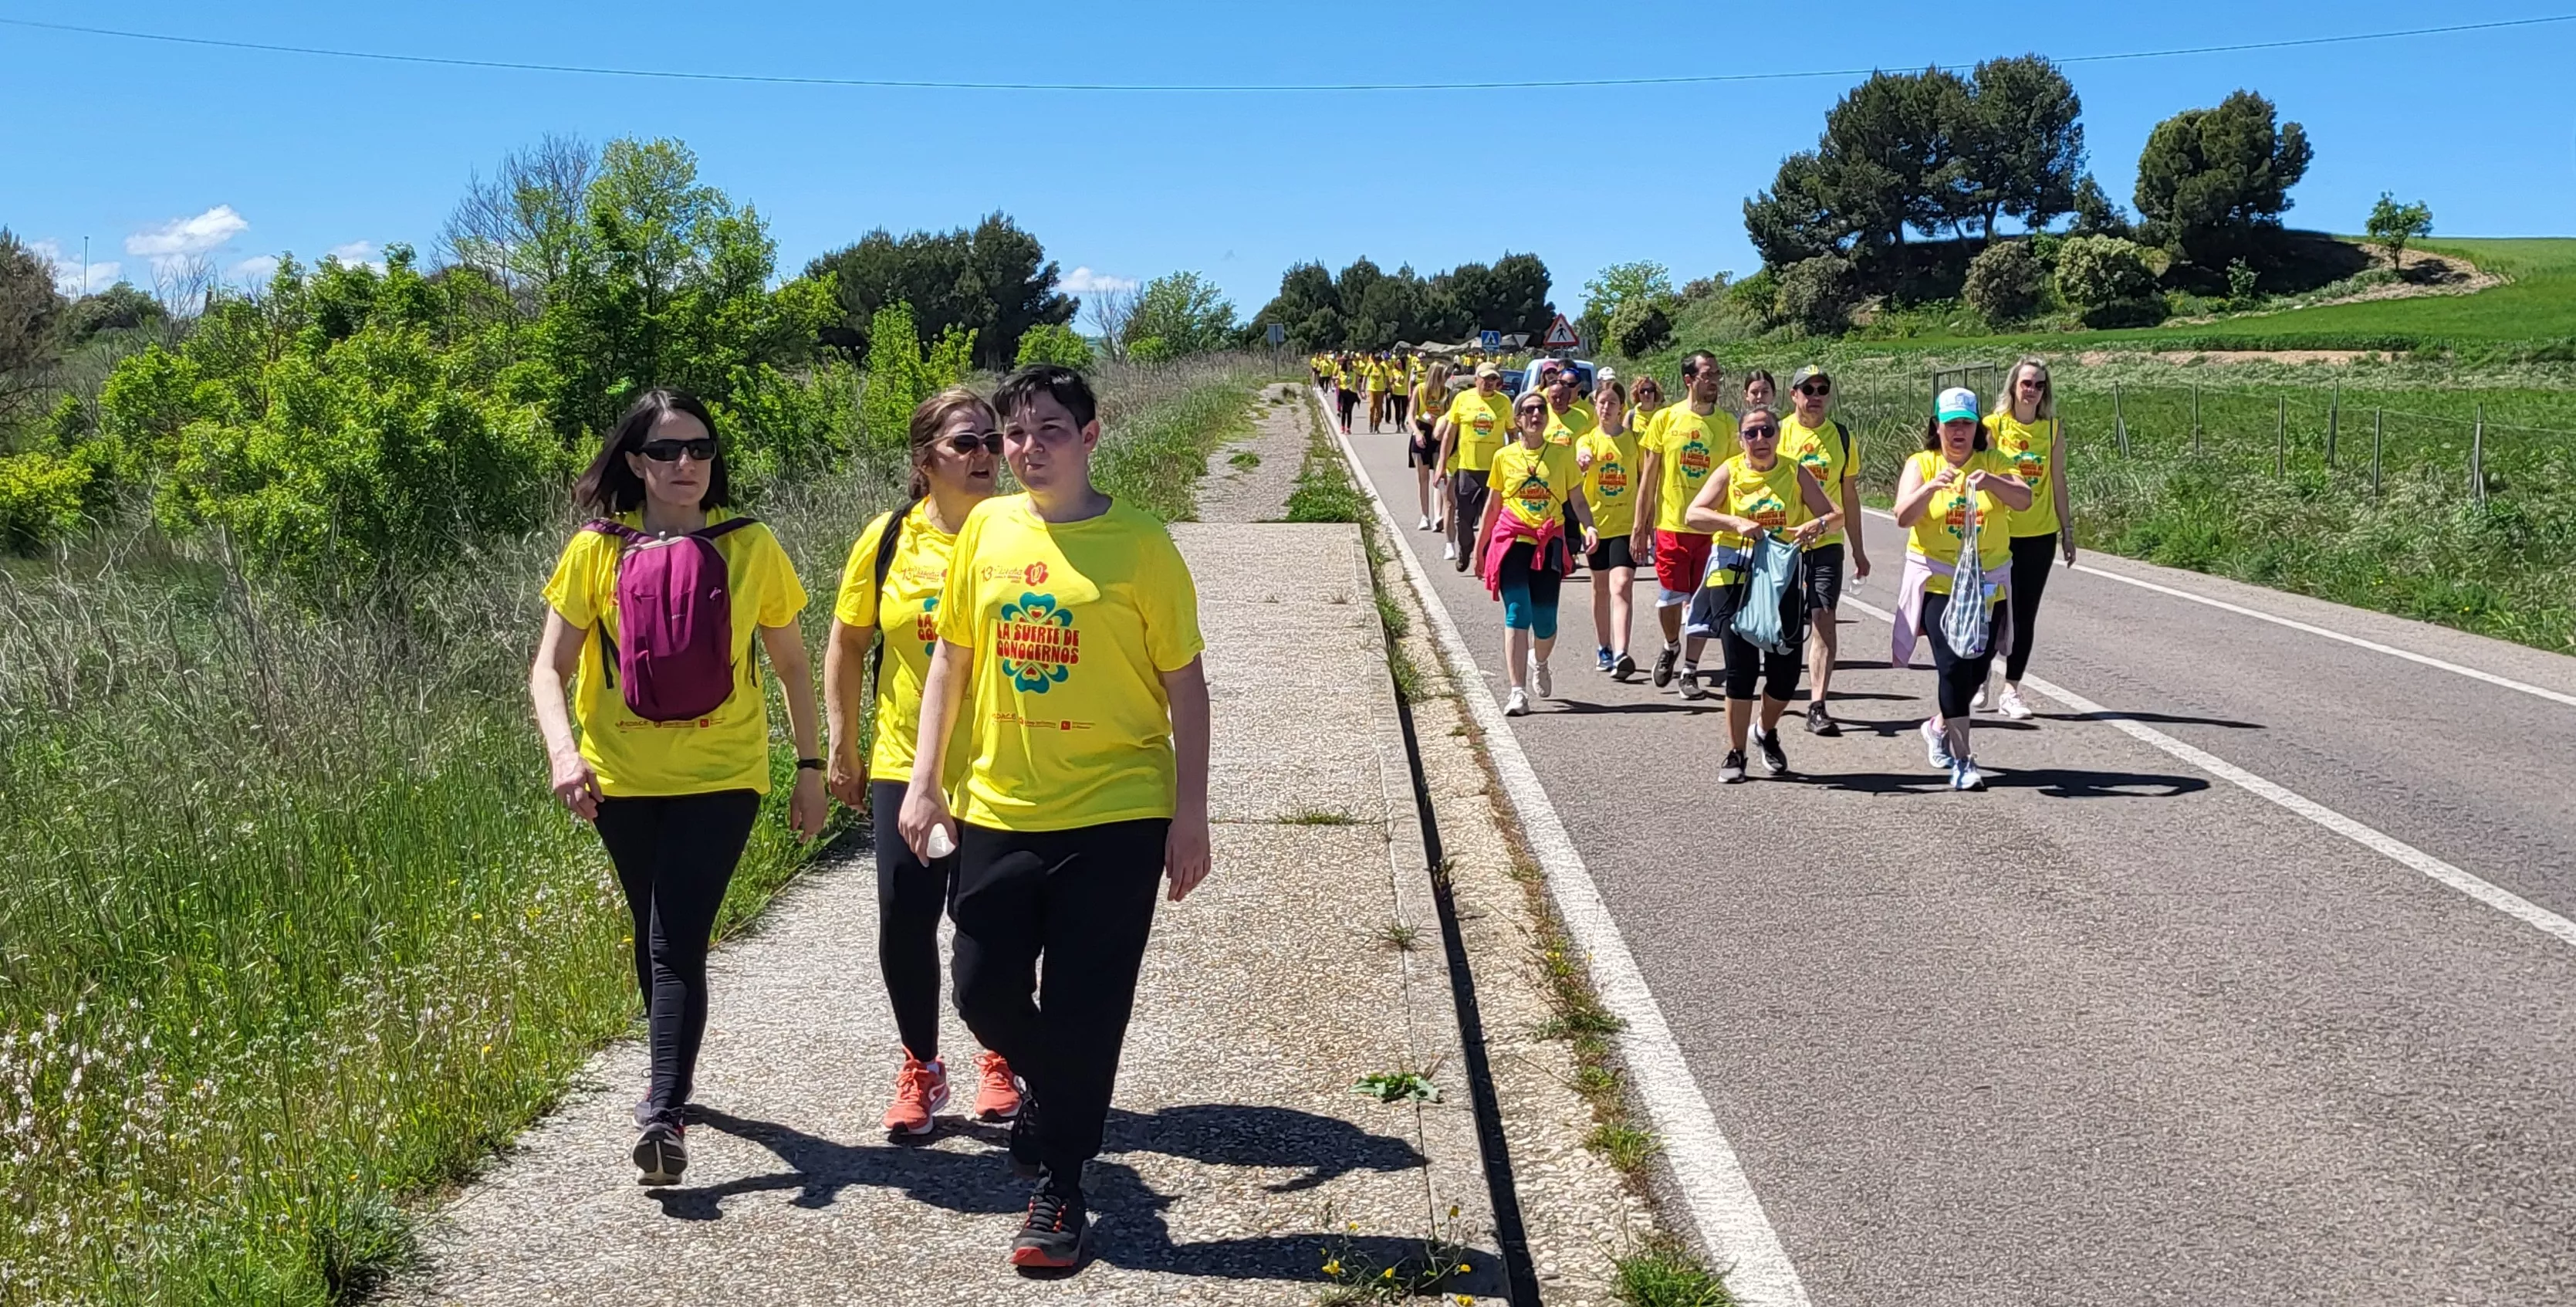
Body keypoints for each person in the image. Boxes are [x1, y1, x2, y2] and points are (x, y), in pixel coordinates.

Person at [898, 364, 1212, 1270]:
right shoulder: (988, 528)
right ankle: (1059, 1092)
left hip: (1117, 811)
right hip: (1000, 802)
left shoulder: (1141, 545)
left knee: (1085, 1005)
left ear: (1091, 435)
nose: (1027, 449)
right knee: (980, 986)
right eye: (1013, 434)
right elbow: (951, 663)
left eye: (1048, 431)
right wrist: (925, 781)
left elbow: (1185, 689)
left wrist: (1189, 816)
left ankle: (1060, 1188)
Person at [529, 388, 828, 1186]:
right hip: (618, 777)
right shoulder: (595, 549)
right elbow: (548, 670)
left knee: (673, 938)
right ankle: (673, 1080)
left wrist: (809, 768)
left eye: (699, 448)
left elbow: (793, 664)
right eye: (665, 451)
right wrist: (565, 756)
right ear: (635, 461)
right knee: (652, 932)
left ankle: (662, 1112)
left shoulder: (750, 545)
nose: (685, 464)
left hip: (721, 773)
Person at [824, 388, 1020, 1138]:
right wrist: (841, 745)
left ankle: (1000, 1054)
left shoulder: (1022, 533)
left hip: (1003, 765)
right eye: (966, 443)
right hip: (907, 765)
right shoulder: (887, 540)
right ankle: (921, 1064)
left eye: (992, 441)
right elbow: (845, 646)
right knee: (905, 919)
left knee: (992, 926)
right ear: (924, 459)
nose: (985, 456)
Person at [1682, 408, 1841, 782]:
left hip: (1779, 577)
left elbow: (1835, 516)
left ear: (1777, 434)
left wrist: (1813, 526)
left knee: (1785, 676)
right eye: (1751, 433)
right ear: (1741, 440)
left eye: (1766, 431)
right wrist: (1734, 521)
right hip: (1733, 576)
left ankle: (1765, 731)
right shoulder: (1730, 471)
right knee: (1741, 670)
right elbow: (1694, 514)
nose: (1760, 439)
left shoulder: (1793, 470)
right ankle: (1735, 753)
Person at [1892, 388, 2033, 792]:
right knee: (1952, 664)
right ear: (1936, 427)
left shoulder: (1995, 461)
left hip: (1988, 584)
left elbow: (2023, 499)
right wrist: (1930, 488)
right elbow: (1902, 517)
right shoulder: (1921, 463)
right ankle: (1964, 759)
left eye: (1966, 424)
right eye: (1950, 424)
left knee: (1975, 670)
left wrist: (1992, 482)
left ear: (1977, 428)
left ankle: (1937, 727)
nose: (1958, 432)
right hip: (1941, 582)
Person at [1476, 389, 1598, 716]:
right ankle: (1518, 692)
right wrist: (1480, 548)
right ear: (1517, 420)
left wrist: (1590, 527)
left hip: (1549, 541)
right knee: (1518, 613)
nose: (1536, 415)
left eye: (1540, 410)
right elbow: (1493, 505)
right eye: (1529, 411)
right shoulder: (1505, 457)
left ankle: (1539, 660)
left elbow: (1579, 501)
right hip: (1513, 540)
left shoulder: (1562, 456)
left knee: (1545, 623)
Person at [1628, 352, 1733, 699]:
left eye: (1717, 374)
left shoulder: (1728, 425)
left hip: (1712, 528)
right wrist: (1639, 526)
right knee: (1670, 599)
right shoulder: (1665, 419)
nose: (1714, 380)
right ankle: (1671, 644)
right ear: (1689, 380)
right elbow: (1648, 478)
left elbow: (1737, 479)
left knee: (1703, 602)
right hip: (1672, 524)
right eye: (1707, 374)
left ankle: (1690, 669)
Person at [1776, 365, 1870, 736]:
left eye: (1822, 389)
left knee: (1823, 618)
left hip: (1826, 541)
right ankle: (1778, 691)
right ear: (1793, 394)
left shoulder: (1842, 438)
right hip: (1783, 542)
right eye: (1807, 389)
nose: (1815, 396)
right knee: (1782, 625)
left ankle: (1818, 703)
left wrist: (1858, 550)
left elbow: (1849, 496)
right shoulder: (1777, 433)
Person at [1980, 357, 2075, 720]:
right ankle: (1981, 674)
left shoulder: (2051, 430)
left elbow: (2058, 481)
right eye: (2026, 383)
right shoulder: (1993, 426)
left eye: (2039, 385)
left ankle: (2012, 689)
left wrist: (2067, 531)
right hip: (1999, 535)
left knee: (2024, 614)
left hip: (2039, 534)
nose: (2032, 391)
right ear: (2013, 387)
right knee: (1994, 610)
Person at [1577, 378, 1641, 676]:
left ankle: (1621, 653)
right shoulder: (1587, 439)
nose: (1605, 408)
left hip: (1626, 523)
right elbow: (1580, 459)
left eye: (1612, 403)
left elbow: (1643, 481)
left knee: (1622, 585)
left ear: (1621, 408)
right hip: (1595, 525)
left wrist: (1646, 523)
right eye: (1601, 402)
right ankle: (1603, 646)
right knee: (1600, 588)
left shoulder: (1633, 441)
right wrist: (1583, 460)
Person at [1435, 362, 1513, 571]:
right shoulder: (1463, 399)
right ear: (1476, 379)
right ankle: (1465, 548)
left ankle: (1487, 557)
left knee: (1493, 517)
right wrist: (1442, 465)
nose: (1489, 384)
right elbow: (1450, 434)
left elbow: (1513, 434)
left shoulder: (1504, 402)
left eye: (1493, 380)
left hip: (1495, 471)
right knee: (1464, 518)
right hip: (1467, 468)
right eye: (1485, 379)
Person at [1409, 361, 1452, 531]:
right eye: (1445, 375)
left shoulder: (1447, 393)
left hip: (1438, 434)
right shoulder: (1420, 389)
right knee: (1423, 478)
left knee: (1439, 476)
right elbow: (1411, 416)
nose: (1447, 379)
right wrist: (1417, 433)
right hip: (1422, 431)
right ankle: (1425, 516)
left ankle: (1438, 516)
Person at [1365, 353, 1392, 432]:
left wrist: (1389, 390)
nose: (1376, 362)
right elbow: (1365, 376)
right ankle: (1371, 423)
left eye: (1378, 361)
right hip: (1372, 389)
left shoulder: (1383, 368)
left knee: (1379, 408)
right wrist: (1363, 388)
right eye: (1375, 361)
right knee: (1372, 406)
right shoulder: (1371, 366)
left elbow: (1387, 380)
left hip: (1381, 390)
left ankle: (1377, 426)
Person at [1334, 354, 1361, 435]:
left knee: (1350, 411)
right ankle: (1342, 427)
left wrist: (1361, 393)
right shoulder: (1341, 373)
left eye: (1351, 364)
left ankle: (1348, 428)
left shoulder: (1353, 374)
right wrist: (1336, 382)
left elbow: (1356, 384)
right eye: (1348, 364)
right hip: (1343, 393)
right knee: (1344, 411)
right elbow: (1338, 383)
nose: (1350, 365)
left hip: (1351, 393)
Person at [1388, 353, 1414, 429]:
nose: (1399, 365)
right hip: (1396, 393)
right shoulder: (1393, 371)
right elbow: (1390, 382)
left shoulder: (1407, 371)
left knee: (1404, 409)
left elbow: (1410, 380)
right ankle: (1398, 425)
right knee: (1397, 410)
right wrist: (1393, 383)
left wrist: (1410, 391)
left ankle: (1403, 422)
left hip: (1405, 393)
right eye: (1397, 363)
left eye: (1400, 363)